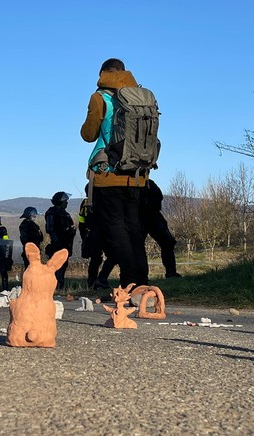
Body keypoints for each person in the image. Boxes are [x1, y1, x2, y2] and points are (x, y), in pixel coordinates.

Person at [80, 58, 151, 289]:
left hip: (108, 173)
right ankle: (142, 282)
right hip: (138, 174)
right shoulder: (141, 96)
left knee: (115, 229)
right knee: (134, 228)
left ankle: (129, 282)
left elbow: (88, 134)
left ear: (102, 72)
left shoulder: (100, 97)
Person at [141, 179, 181, 278]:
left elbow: (159, 197)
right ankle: (141, 277)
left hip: (152, 216)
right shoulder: (145, 183)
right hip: (144, 217)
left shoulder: (149, 183)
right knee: (138, 247)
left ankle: (171, 272)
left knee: (167, 243)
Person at [77, 195, 114, 290]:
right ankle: (101, 279)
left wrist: (84, 234)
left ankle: (92, 283)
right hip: (102, 234)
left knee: (95, 259)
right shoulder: (102, 199)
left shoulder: (85, 202)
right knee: (113, 256)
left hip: (90, 235)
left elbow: (81, 220)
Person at [44, 192, 76, 291]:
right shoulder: (52, 212)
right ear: (60, 202)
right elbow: (50, 229)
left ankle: (60, 285)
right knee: (56, 266)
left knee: (64, 265)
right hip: (57, 244)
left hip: (66, 243)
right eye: (65, 201)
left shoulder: (65, 213)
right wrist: (57, 241)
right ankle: (55, 286)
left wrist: (71, 231)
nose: (67, 203)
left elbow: (70, 225)